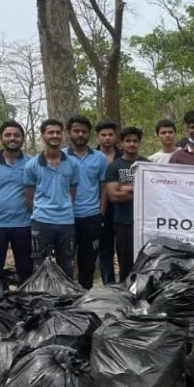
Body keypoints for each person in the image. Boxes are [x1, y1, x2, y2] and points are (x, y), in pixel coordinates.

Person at [24, 119, 80, 278]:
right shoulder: (32, 165)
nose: (55, 135)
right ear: (43, 136)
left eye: (58, 132)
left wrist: (63, 206)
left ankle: (66, 295)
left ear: (62, 135)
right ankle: (41, 294)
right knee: (40, 267)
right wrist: (42, 211)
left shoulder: (73, 164)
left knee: (67, 266)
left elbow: (72, 193)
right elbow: (29, 197)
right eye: (50, 132)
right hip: (41, 221)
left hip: (66, 221)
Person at [0, 121, 33, 281]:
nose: (12, 138)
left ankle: (26, 297)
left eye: (17, 135)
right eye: (8, 135)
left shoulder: (32, 162)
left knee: (27, 271)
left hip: (25, 224)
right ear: (1, 138)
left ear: (23, 138)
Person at [64, 115, 108, 289]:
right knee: (65, 261)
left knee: (88, 262)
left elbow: (103, 187)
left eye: (84, 131)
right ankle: (66, 297)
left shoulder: (99, 157)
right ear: (69, 132)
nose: (80, 134)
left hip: (91, 216)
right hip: (66, 217)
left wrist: (101, 213)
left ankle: (85, 295)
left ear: (89, 133)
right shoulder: (61, 156)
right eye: (76, 131)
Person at [105, 127, 148, 282]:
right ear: (121, 143)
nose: (132, 144)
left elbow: (153, 194)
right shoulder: (114, 166)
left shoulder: (147, 165)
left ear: (139, 143)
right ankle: (126, 292)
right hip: (123, 222)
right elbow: (114, 196)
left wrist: (127, 188)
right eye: (128, 141)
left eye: (135, 141)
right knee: (126, 264)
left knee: (145, 263)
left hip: (145, 223)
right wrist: (139, 190)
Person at [95, 121, 121, 285]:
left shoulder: (124, 157)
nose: (107, 138)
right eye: (103, 135)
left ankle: (127, 284)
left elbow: (130, 184)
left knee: (124, 250)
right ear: (98, 137)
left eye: (110, 134)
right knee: (104, 251)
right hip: (98, 210)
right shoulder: (92, 157)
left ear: (115, 136)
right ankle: (109, 285)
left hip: (123, 209)